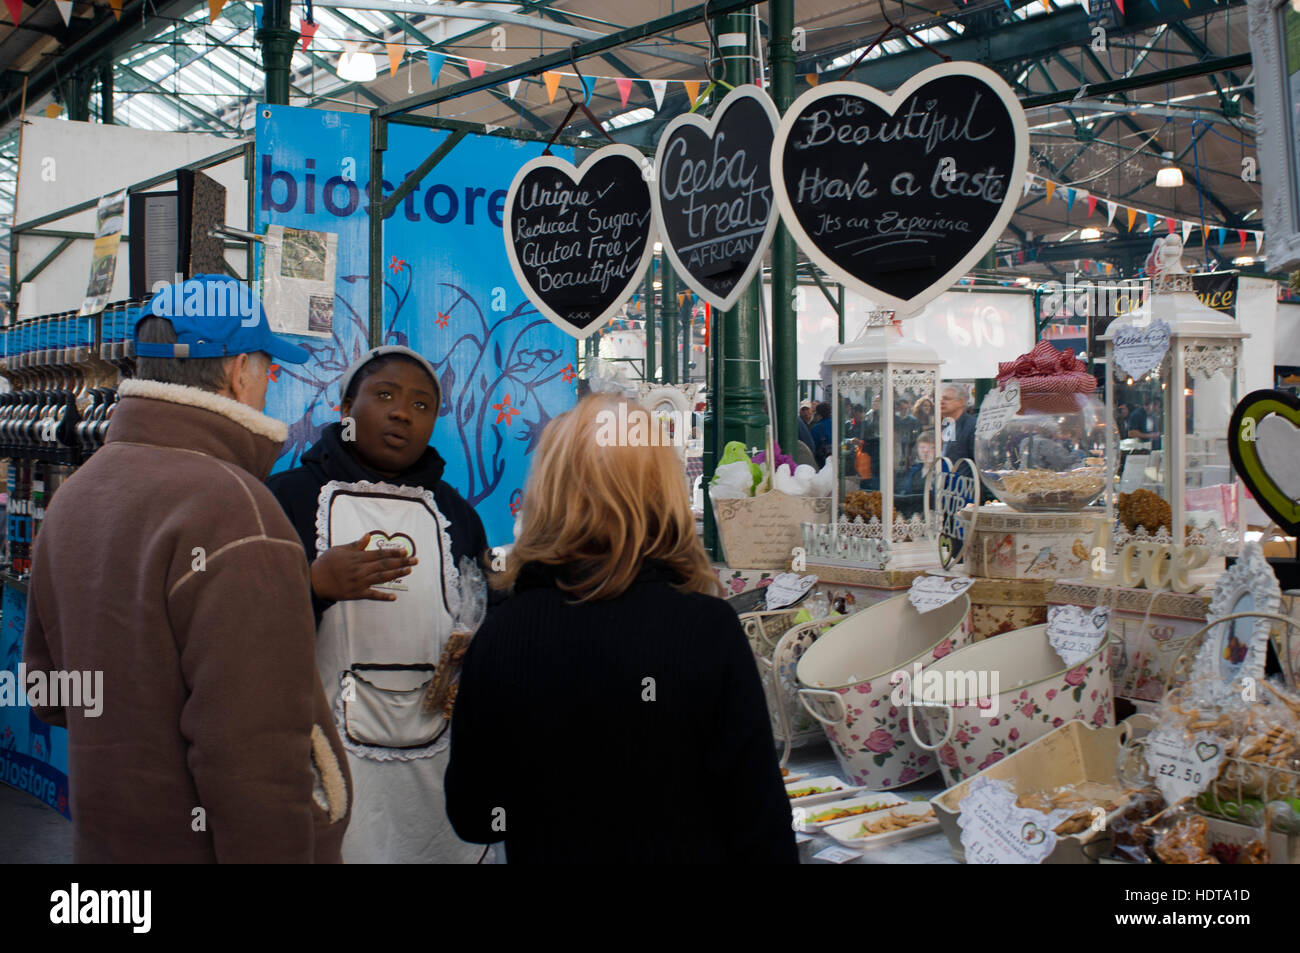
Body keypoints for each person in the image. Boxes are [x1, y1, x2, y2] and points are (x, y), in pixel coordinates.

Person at [22, 275, 351, 862]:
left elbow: (48, 692)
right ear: (237, 372)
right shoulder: (238, 511)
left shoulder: (75, 495)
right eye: (267, 367)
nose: (269, 383)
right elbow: (257, 762)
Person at [444, 394, 798, 863]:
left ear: (547, 491)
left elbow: (474, 814)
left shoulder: (502, 633)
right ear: (663, 492)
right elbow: (761, 825)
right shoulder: (706, 629)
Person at [267, 345, 491, 864]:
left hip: (436, 756)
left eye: (421, 406)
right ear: (346, 407)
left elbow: (485, 612)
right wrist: (314, 587)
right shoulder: (289, 500)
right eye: (385, 395)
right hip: (324, 755)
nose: (401, 413)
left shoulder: (457, 512)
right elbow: (242, 630)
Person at [940, 382, 976, 463]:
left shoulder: (972, 427)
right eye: (940, 399)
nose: (941, 402)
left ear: (960, 402)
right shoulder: (943, 425)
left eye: (946, 399)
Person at [810, 401, 834, 468]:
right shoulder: (837, 425)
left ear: (818, 414)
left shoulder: (816, 428)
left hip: (822, 465)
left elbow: (812, 447)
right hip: (837, 462)